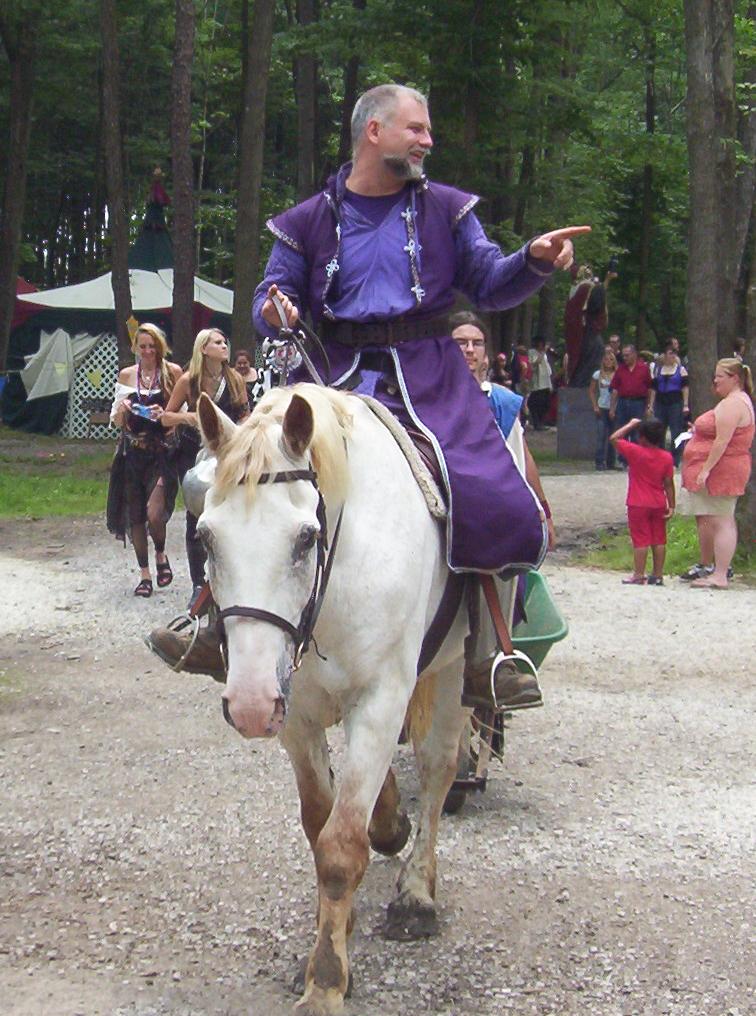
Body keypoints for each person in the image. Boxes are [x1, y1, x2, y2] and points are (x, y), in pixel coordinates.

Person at [148, 83, 588, 710]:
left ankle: (490, 652)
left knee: (494, 493)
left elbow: (490, 283)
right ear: (374, 132)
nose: (428, 140)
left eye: (428, 130)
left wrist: (534, 260)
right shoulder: (305, 221)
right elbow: (270, 294)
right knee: (239, 481)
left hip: (432, 379)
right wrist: (274, 311)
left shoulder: (448, 210)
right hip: (331, 379)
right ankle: (211, 623)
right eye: (417, 128)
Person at [450, 311, 555, 551]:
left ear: (485, 353)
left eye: (477, 343)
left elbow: (522, 458)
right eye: (461, 343)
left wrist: (544, 510)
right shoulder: (428, 402)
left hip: (495, 514)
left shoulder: (501, 401)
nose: (469, 350)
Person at [160, 329, 250, 607]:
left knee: (233, 511)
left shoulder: (234, 379)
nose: (224, 346)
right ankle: (198, 583)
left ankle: (232, 578)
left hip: (227, 454)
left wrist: (244, 429)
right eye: (218, 343)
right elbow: (165, 417)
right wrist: (189, 417)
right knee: (196, 517)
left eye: (225, 342)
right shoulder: (189, 381)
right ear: (203, 349)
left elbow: (244, 413)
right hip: (192, 453)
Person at [107, 324, 182, 596]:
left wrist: (165, 415)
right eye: (143, 346)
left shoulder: (172, 373)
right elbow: (116, 420)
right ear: (136, 348)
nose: (148, 351)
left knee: (154, 513)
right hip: (132, 453)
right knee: (136, 515)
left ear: (160, 347)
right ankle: (145, 574)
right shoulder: (128, 375)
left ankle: (160, 552)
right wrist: (125, 409)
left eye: (153, 346)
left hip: (161, 453)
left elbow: (180, 416)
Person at [678, 358, 754, 589]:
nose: (715, 380)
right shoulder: (733, 401)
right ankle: (713, 567)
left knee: (722, 520)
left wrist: (706, 469)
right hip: (722, 467)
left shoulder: (734, 403)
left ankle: (720, 574)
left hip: (724, 470)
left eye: (720, 376)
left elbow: (722, 440)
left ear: (734, 378)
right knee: (715, 518)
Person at [610, 417, 675, 585]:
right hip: (658, 502)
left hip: (637, 502)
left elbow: (614, 438)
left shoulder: (635, 451)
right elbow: (668, 483)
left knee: (641, 540)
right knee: (659, 539)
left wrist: (630, 424)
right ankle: (658, 575)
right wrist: (672, 505)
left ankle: (639, 574)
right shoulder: (667, 457)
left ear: (643, 437)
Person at [609, 344, 653, 465]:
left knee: (637, 432)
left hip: (638, 402)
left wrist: (649, 405)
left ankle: (636, 458)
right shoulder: (620, 369)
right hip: (623, 402)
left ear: (634, 355)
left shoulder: (643, 368)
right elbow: (615, 390)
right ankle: (623, 459)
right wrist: (612, 408)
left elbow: (649, 388)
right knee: (622, 430)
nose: (625, 358)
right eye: (623, 356)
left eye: (627, 355)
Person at [648, 344, 689, 466]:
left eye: (674, 354)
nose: (673, 356)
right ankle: (659, 457)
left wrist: (685, 404)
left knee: (676, 431)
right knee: (659, 430)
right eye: (670, 353)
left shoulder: (680, 370)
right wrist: (651, 405)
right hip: (661, 402)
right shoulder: (658, 370)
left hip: (675, 402)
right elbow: (654, 389)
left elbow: (685, 388)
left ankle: (675, 459)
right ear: (665, 355)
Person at [589, 346, 618, 470]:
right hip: (602, 407)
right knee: (601, 435)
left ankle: (611, 461)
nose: (608, 362)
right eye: (606, 359)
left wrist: (614, 408)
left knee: (613, 435)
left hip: (614, 408)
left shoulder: (617, 374)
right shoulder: (597, 374)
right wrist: (595, 405)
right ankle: (599, 461)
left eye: (611, 360)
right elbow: (591, 391)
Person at [527, 336, 553, 430]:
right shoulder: (532, 352)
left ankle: (542, 422)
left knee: (545, 404)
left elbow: (547, 369)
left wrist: (550, 384)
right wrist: (543, 352)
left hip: (545, 383)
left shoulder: (544, 354)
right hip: (537, 384)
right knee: (536, 403)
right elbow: (535, 363)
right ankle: (536, 423)